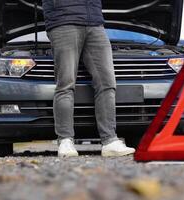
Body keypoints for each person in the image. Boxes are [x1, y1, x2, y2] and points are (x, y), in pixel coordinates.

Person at [42, 0, 135, 157]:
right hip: (63, 21)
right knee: (66, 84)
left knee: (107, 82)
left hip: (94, 22)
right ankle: (65, 140)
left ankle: (110, 141)